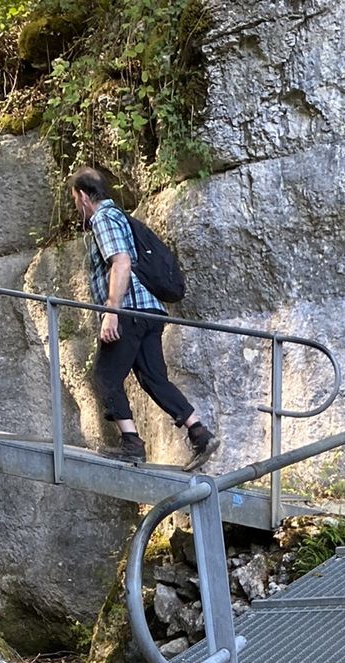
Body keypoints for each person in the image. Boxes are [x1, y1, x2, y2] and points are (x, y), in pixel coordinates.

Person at [70, 167, 217, 470]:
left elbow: (121, 262)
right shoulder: (121, 217)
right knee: (153, 378)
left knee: (104, 376)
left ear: (83, 196)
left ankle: (131, 444)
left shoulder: (103, 218)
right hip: (150, 312)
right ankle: (200, 434)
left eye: (74, 199)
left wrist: (112, 312)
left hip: (129, 311)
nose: (76, 205)